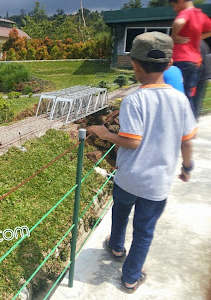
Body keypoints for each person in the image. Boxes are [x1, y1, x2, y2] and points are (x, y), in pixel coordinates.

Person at [87, 32, 197, 293]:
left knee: (120, 212)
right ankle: (130, 277)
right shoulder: (180, 100)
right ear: (169, 65)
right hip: (156, 185)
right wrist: (187, 166)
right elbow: (187, 141)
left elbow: (132, 140)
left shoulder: (134, 99)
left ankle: (115, 247)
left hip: (128, 177)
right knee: (144, 231)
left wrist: (104, 134)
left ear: (135, 65)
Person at [168, 0, 211, 116]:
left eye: (174, 4)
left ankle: (177, 126)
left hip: (181, 60)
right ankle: (189, 128)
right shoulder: (201, 15)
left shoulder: (186, 12)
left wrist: (174, 37)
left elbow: (179, 22)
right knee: (189, 96)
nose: (174, 9)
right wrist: (198, 37)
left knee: (176, 96)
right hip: (195, 62)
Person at [193, 40, 211, 119]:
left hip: (199, 76)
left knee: (194, 101)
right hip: (203, 75)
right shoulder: (202, 43)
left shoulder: (198, 43)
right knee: (196, 102)